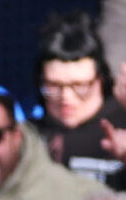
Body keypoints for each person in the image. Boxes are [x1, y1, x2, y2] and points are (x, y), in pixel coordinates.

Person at [34, 10, 126, 182]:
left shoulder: (122, 128)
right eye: (54, 86)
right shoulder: (25, 138)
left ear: (100, 80)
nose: (66, 97)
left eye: (80, 86)